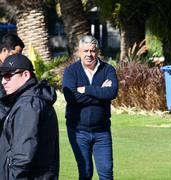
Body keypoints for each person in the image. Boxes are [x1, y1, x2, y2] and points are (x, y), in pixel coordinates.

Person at [62, 35, 118, 180]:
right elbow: (71, 97)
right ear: (79, 52)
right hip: (78, 131)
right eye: (85, 51)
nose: (89, 55)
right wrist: (100, 92)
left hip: (102, 131)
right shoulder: (71, 71)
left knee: (107, 173)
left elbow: (111, 92)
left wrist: (86, 89)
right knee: (85, 172)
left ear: (97, 51)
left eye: (92, 51)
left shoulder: (108, 69)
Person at [0, 54, 59, 179]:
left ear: (26, 75)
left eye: (8, 75)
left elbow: (23, 155)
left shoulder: (29, 104)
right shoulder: (26, 100)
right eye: (2, 76)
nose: (3, 81)